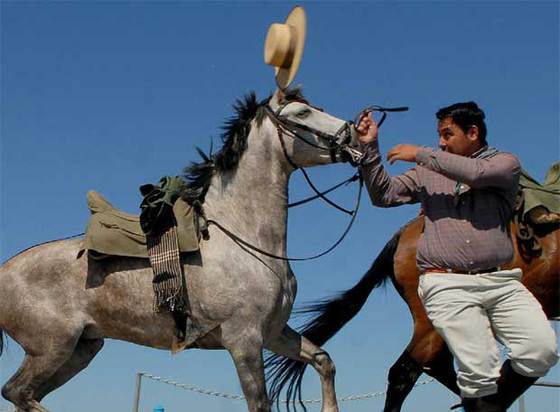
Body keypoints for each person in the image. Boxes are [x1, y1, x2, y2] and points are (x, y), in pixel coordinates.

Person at [356, 102, 558, 412]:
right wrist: (369, 149)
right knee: (480, 371)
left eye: (447, 134)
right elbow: (383, 194)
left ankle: (490, 405)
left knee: (541, 350)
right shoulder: (427, 172)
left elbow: (477, 173)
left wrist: (420, 154)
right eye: (439, 135)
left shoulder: (505, 164)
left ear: (473, 132)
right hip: (446, 282)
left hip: (501, 280)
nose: (440, 142)